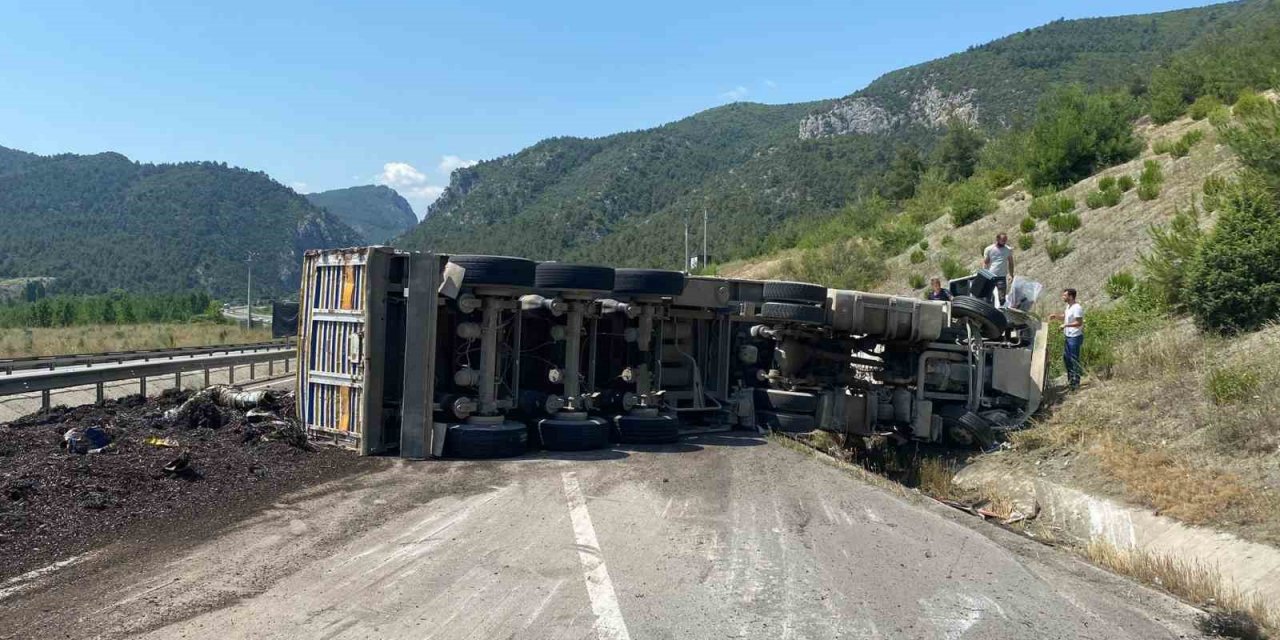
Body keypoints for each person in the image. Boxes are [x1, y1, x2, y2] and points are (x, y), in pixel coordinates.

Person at [1048, 288, 1085, 389]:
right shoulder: (1069, 306)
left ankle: (1075, 383)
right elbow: (1065, 316)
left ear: (1071, 296)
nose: (1063, 297)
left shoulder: (1077, 308)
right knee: (1067, 358)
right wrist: (1056, 316)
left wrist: (1065, 325)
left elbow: (1079, 322)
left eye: (1065, 295)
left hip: (1075, 337)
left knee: (1074, 359)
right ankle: (1070, 380)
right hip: (1068, 337)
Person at [982, 233, 1014, 307]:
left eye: (1005, 240)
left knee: (1002, 298)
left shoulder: (1008, 250)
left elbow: (1011, 262)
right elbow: (985, 262)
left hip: (1001, 276)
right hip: (990, 276)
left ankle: (1002, 312)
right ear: (997, 239)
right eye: (1003, 240)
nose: (1004, 242)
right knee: (988, 296)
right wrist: (984, 274)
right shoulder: (989, 249)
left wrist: (1011, 274)